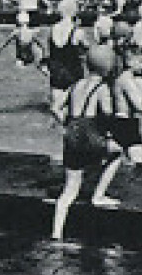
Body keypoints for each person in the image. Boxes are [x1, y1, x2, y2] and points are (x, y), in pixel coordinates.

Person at [51, 43, 122, 240]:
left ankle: (56, 233)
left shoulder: (75, 85)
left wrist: (66, 123)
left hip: (72, 134)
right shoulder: (102, 87)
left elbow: (55, 108)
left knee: (69, 189)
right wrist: (108, 132)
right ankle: (98, 195)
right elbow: (107, 114)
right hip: (90, 133)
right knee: (116, 153)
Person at [43, 0, 85, 122]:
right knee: (74, 110)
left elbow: (50, 50)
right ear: (74, 12)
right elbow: (85, 49)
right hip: (73, 71)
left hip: (56, 69)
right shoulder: (77, 31)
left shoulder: (52, 29)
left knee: (57, 108)